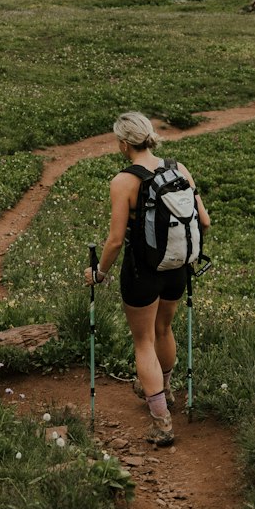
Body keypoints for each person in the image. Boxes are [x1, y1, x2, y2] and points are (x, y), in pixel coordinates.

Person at [83, 111, 210, 447]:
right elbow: (205, 221)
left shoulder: (123, 181)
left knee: (143, 342)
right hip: (178, 268)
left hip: (142, 271)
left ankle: (162, 424)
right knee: (164, 329)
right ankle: (165, 392)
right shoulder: (179, 169)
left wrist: (100, 273)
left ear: (124, 144)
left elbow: (114, 240)